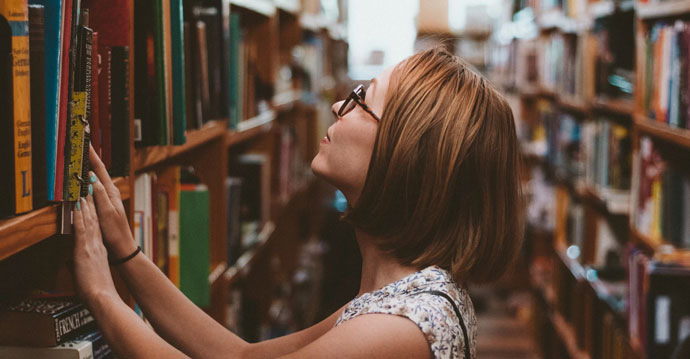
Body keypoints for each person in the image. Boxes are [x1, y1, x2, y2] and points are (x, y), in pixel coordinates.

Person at [73, 47, 523, 359]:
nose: (337, 108)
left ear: (404, 154)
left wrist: (100, 294)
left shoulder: (400, 327)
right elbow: (238, 354)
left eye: (361, 99)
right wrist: (127, 254)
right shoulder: (400, 297)